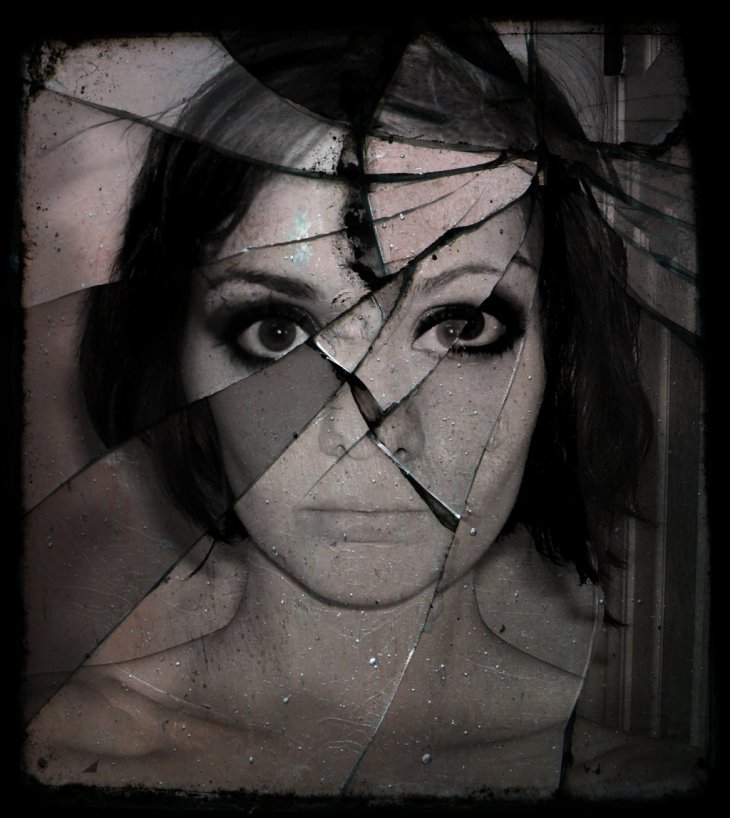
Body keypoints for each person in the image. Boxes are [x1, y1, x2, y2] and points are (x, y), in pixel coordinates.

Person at [24, 23, 703, 801]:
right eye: (280, 332)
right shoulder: (54, 762)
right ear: (173, 365)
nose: (374, 427)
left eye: (461, 326)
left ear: (562, 356)